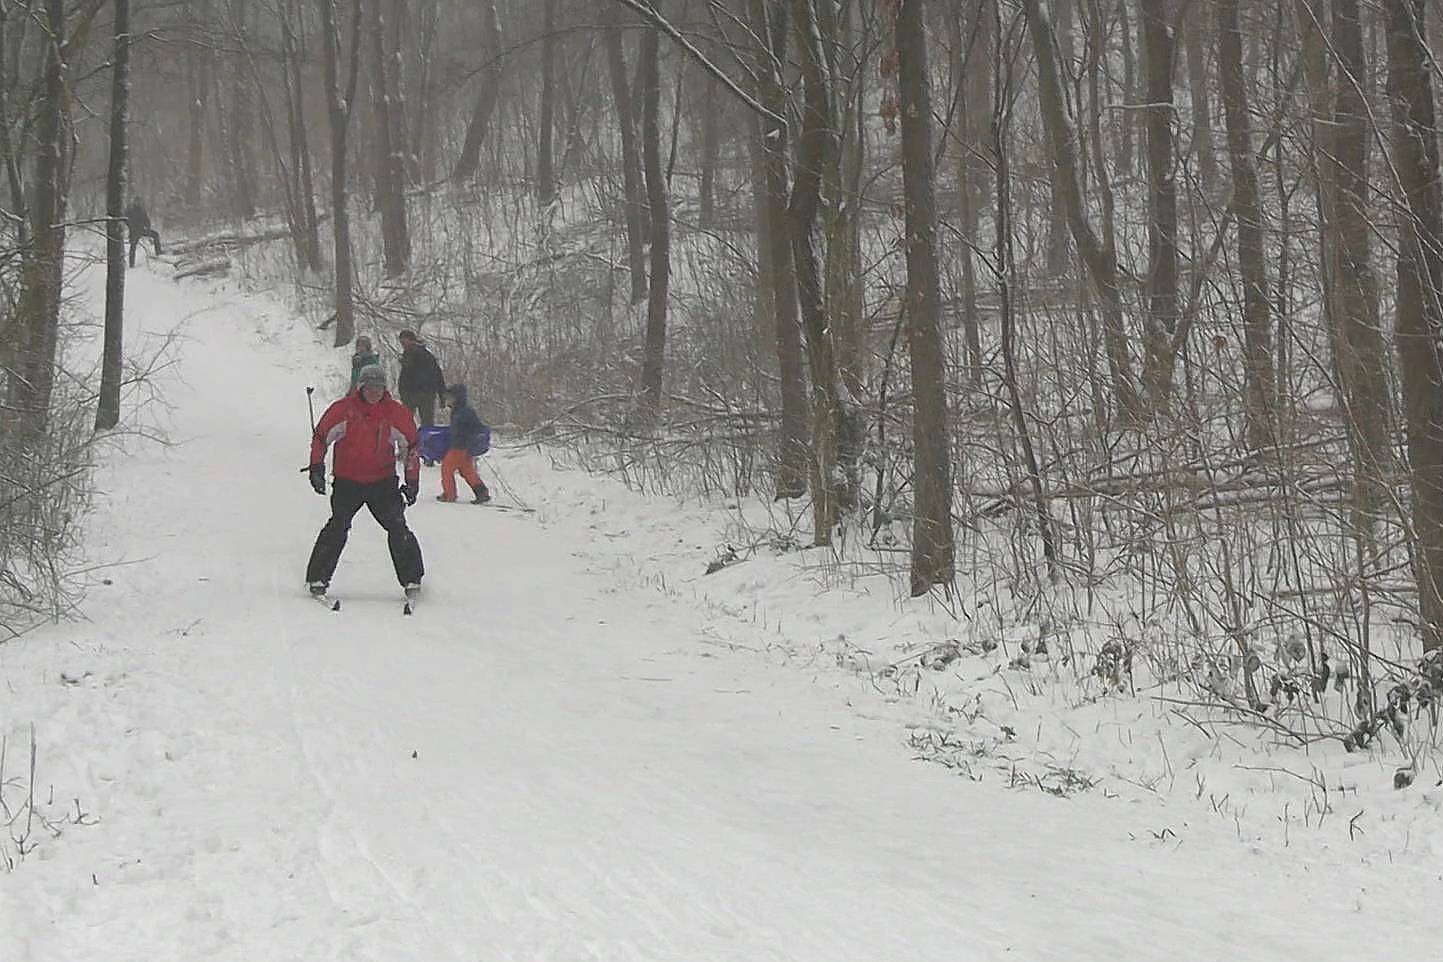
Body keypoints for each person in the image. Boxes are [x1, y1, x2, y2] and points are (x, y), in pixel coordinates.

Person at [303, 364, 424, 596]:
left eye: (379, 387)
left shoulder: (395, 413)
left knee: (397, 526)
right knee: (338, 525)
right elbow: (321, 438)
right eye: (369, 387)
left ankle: (412, 579)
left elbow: (411, 446)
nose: (374, 392)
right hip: (348, 481)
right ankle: (318, 577)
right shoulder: (343, 410)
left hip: (382, 482)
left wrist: (412, 481)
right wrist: (316, 467)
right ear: (361, 387)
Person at [436, 384, 492, 504]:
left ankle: (449, 494)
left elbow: (466, 430)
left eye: (450, 397)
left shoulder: (461, 413)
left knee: (447, 468)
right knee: (467, 470)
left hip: (459, 446)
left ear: (457, 398)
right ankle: (481, 492)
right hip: (466, 447)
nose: (447, 400)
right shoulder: (461, 411)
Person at [396, 329, 446, 429]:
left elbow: (436, 374)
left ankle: (410, 441)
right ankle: (426, 441)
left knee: (406, 422)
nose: (403, 345)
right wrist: (442, 394)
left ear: (411, 340)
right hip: (426, 394)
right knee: (427, 423)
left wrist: (402, 391)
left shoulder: (412, 353)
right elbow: (438, 374)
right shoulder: (427, 354)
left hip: (413, 393)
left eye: (404, 342)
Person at [124, 198, 162, 267]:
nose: (138, 203)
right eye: (136, 202)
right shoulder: (130, 210)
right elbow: (125, 219)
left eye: (139, 202)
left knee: (156, 234)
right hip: (134, 232)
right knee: (133, 247)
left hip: (142, 230)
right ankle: (131, 264)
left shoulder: (142, 210)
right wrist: (130, 226)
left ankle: (159, 254)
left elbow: (147, 220)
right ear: (134, 202)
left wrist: (147, 227)